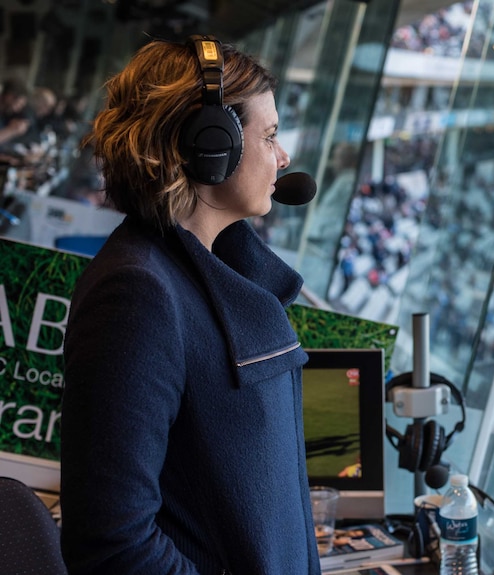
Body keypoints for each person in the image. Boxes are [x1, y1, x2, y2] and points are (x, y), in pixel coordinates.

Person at [60, 35, 320, 574]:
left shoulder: (206, 275)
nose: (284, 155)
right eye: (269, 135)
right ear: (210, 145)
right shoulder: (137, 295)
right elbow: (113, 543)